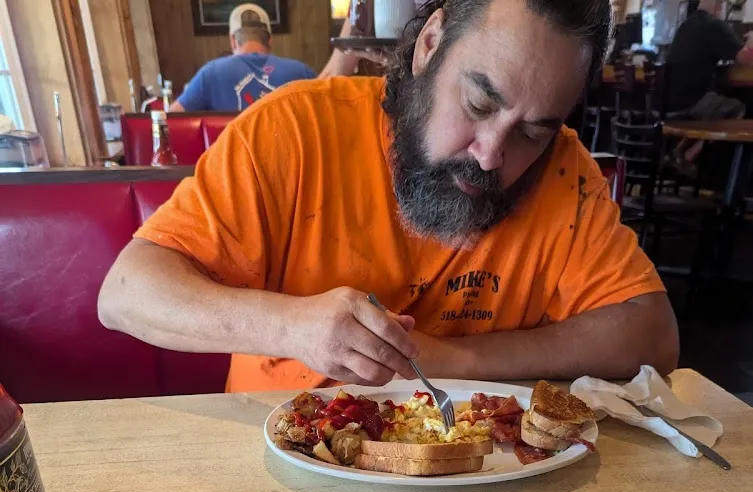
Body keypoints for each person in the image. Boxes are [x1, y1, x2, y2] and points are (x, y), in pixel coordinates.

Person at [100, 0, 678, 392]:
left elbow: (651, 335)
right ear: (430, 44)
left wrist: (456, 359)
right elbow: (126, 294)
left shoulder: (565, 172)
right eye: (478, 105)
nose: (491, 155)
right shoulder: (293, 130)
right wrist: (291, 328)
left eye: (533, 131)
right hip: (281, 478)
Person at [170, 3, 316, 113]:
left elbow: (170, 120)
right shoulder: (302, 72)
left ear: (233, 40)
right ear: (270, 40)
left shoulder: (210, 73)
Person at [666, 0, 753, 172]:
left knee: (715, 106)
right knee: (737, 108)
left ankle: (678, 152)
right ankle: (689, 155)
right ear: (719, 4)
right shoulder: (714, 26)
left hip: (671, 101)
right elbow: (745, 59)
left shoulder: (685, 25)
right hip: (693, 100)